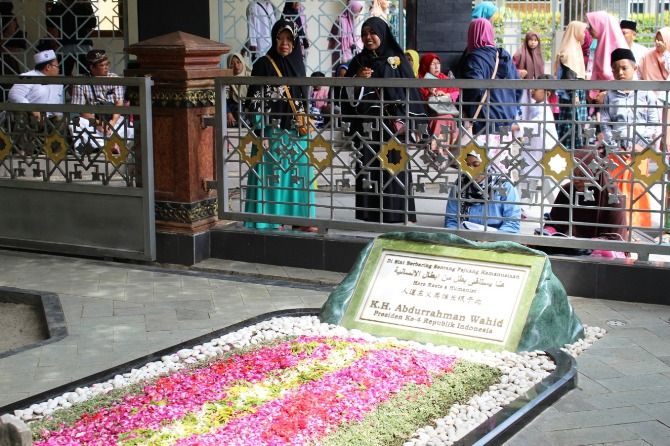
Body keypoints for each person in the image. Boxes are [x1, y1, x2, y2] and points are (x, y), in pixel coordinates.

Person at [343, 17, 424, 223]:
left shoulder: (397, 59)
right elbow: (345, 93)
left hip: (391, 128)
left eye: (373, 33)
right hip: (369, 129)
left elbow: (411, 93)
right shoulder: (358, 62)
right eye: (364, 34)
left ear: (383, 33)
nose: (368, 38)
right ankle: (370, 215)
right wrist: (358, 80)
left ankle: (396, 215)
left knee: (393, 168)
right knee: (370, 167)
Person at [244, 19, 316, 232]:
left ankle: (300, 219)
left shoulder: (298, 64)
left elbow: (303, 99)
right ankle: (271, 219)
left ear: (295, 42)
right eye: (280, 38)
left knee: (298, 176)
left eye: (289, 39)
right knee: (273, 176)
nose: (284, 43)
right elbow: (254, 101)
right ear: (274, 39)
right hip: (272, 131)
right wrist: (261, 131)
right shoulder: (263, 65)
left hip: (297, 131)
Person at [601, 48, 660, 228]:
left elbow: (654, 124)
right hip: (616, 154)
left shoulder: (647, 94)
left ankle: (637, 230)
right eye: (615, 69)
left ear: (634, 68)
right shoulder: (609, 95)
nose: (620, 73)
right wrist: (614, 146)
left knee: (637, 189)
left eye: (624, 68)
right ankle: (617, 229)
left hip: (639, 153)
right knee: (616, 191)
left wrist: (640, 147)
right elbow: (605, 123)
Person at [543, 149, 627, 241]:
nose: (576, 180)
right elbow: (554, 223)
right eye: (573, 174)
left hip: (602, 251)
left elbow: (615, 238)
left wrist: (591, 244)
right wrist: (548, 232)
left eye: (583, 175)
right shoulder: (568, 190)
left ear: (596, 174)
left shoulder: (613, 197)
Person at [460, 18, 521, 135]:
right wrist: (511, 110)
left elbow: (474, 87)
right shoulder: (504, 56)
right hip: (506, 119)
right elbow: (518, 87)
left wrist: (463, 106)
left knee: (481, 153)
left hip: (485, 120)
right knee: (502, 152)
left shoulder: (475, 59)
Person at [70, 49, 132, 154]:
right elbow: (80, 109)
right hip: (93, 119)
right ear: (92, 67)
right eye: (102, 65)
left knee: (128, 126)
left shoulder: (114, 78)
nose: (106, 67)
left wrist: (112, 122)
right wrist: (98, 123)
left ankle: (109, 145)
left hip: (112, 118)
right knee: (75, 124)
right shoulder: (80, 82)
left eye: (107, 64)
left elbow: (119, 104)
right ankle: (106, 146)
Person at [445, 150, 521, 233]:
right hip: (466, 236)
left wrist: (490, 239)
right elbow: (451, 221)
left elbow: (512, 223)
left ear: (486, 164)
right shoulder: (460, 185)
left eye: (476, 165)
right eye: (467, 165)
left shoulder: (504, 185)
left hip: (497, 238)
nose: (471, 170)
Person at [517, 74, 559, 208]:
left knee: (549, 183)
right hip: (534, 150)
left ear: (547, 92)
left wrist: (517, 127)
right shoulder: (537, 105)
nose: (532, 91)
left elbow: (533, 124)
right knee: (529, 180)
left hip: (545, 150)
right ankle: (522, 208)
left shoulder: (544, 109)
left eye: (536, 88)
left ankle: (558, 209)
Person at [554, 20, 588, 149]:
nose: (584, 35)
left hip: (575, 92)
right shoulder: (568, 52)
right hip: (572, 94)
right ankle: (571, 154)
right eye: (583, 32)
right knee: (572, 126)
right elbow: (568, 75)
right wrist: (574, 95)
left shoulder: (575, 48)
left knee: (576, 126)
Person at [418, 52, 459, 149]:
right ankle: (437, 149)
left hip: (446, 112)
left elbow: (456, 92)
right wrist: (431, 94)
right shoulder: (420, 80)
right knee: (441, 119)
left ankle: (446, 149)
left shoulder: (444, 79)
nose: (436, 66)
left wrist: (446, 95)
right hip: (429, 116)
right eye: (432, 64)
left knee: (448, 117)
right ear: (426, 65)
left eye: (438, 63)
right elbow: (418, 100)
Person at [46, 0, 96, 76]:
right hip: (82, 44)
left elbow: (51, 27)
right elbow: (91, 25)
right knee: (87, 75)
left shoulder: (58, 6)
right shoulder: (85, 5)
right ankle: (81, 87)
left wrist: (55, 42)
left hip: (64, 44)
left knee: (63, 75)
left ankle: (69, 87)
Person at [586, 11, 627, 82]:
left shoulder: (619, 47)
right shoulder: (600, 44)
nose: (589, 30)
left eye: (591, 27)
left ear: (601, 26)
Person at [328, 0, 364, 73]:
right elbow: (335, 39)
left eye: (359, 11)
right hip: (341, 54)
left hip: (351, 54)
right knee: (340, 74)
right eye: (356, 11)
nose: (357, 14)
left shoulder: (353, 21)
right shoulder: (340, 20)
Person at [226, 52, 251, 128]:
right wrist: (228, 113)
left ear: (243, 63)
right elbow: (223, 99)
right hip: (234, 113)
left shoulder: (250, 77)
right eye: (232, 64)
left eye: (238, 62)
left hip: (250, 111)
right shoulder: (226, 80)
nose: (236, 66)